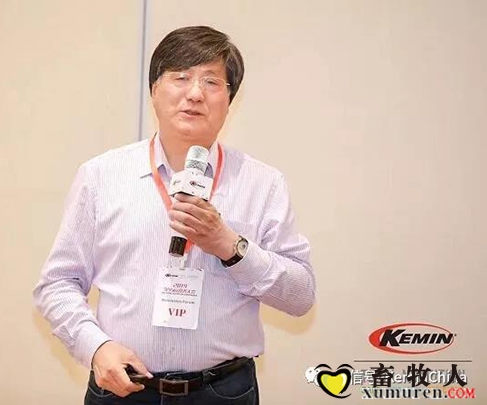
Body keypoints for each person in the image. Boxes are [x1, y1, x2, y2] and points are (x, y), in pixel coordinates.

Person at [33, 25, 315, 405]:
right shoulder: (101, 176)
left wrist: (229, 246)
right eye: (181, 77)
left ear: (230, 99)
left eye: (211, 81)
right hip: (124, 389)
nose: (195, 93)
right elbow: (57, 284)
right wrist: (95, 347)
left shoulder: (263, 183)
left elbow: (300, 295)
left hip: (223, 392)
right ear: (154, 90)